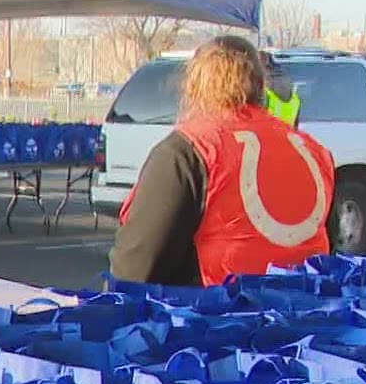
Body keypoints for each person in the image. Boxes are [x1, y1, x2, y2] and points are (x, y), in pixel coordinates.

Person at [111, 36, 335, 287]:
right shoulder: (315, 152)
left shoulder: (187, 150)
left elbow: (134, 266)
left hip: (217, 317)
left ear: (193, 87)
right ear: (261, 86)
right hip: (302, 316)